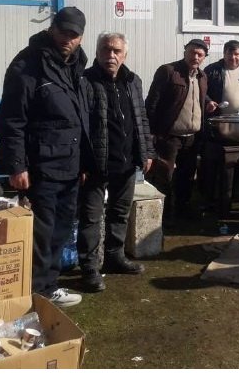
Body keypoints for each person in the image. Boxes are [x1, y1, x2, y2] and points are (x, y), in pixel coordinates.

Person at [0, 6, 92, 308]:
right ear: (52, 28)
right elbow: (13, 118)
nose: (68, 38)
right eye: (63, 31)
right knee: (43, 230)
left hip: (70, 161)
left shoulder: (76, 64)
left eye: (74, 34)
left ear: (80, 37)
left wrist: (83, 162)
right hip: (42, 163)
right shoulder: (27, 64)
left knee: (62, 227)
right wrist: (17, 165)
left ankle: (47, 285)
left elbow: (80, 115)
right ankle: (37, 288)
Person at [78, 32, 156, 292]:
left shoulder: (133, 81)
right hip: (95, 164)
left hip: (126, 161)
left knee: (120, 213)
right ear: (97, 52)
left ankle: (115, 257)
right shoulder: (85, 81)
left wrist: (146, 152)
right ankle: (89, 268)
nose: (111, 55)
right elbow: (80, 125)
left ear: (125, 55)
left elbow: (141, 118)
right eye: (105, 49)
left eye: (116, 51)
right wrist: (80, 164)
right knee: (91, 217)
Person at [145, 39, 216, 219]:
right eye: (192, 52)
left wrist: (207, 102)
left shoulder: (202, 76)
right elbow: (152, 102)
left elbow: (198, 93)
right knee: (164, 177)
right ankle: (164, 215)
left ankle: (183, 211)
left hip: (192, 138)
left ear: (204, 58)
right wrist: (152, 132)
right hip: (169, 137)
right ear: (185, 52)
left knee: (186, 177)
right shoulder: (168, 71)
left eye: (200, 54)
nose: (195, 57)